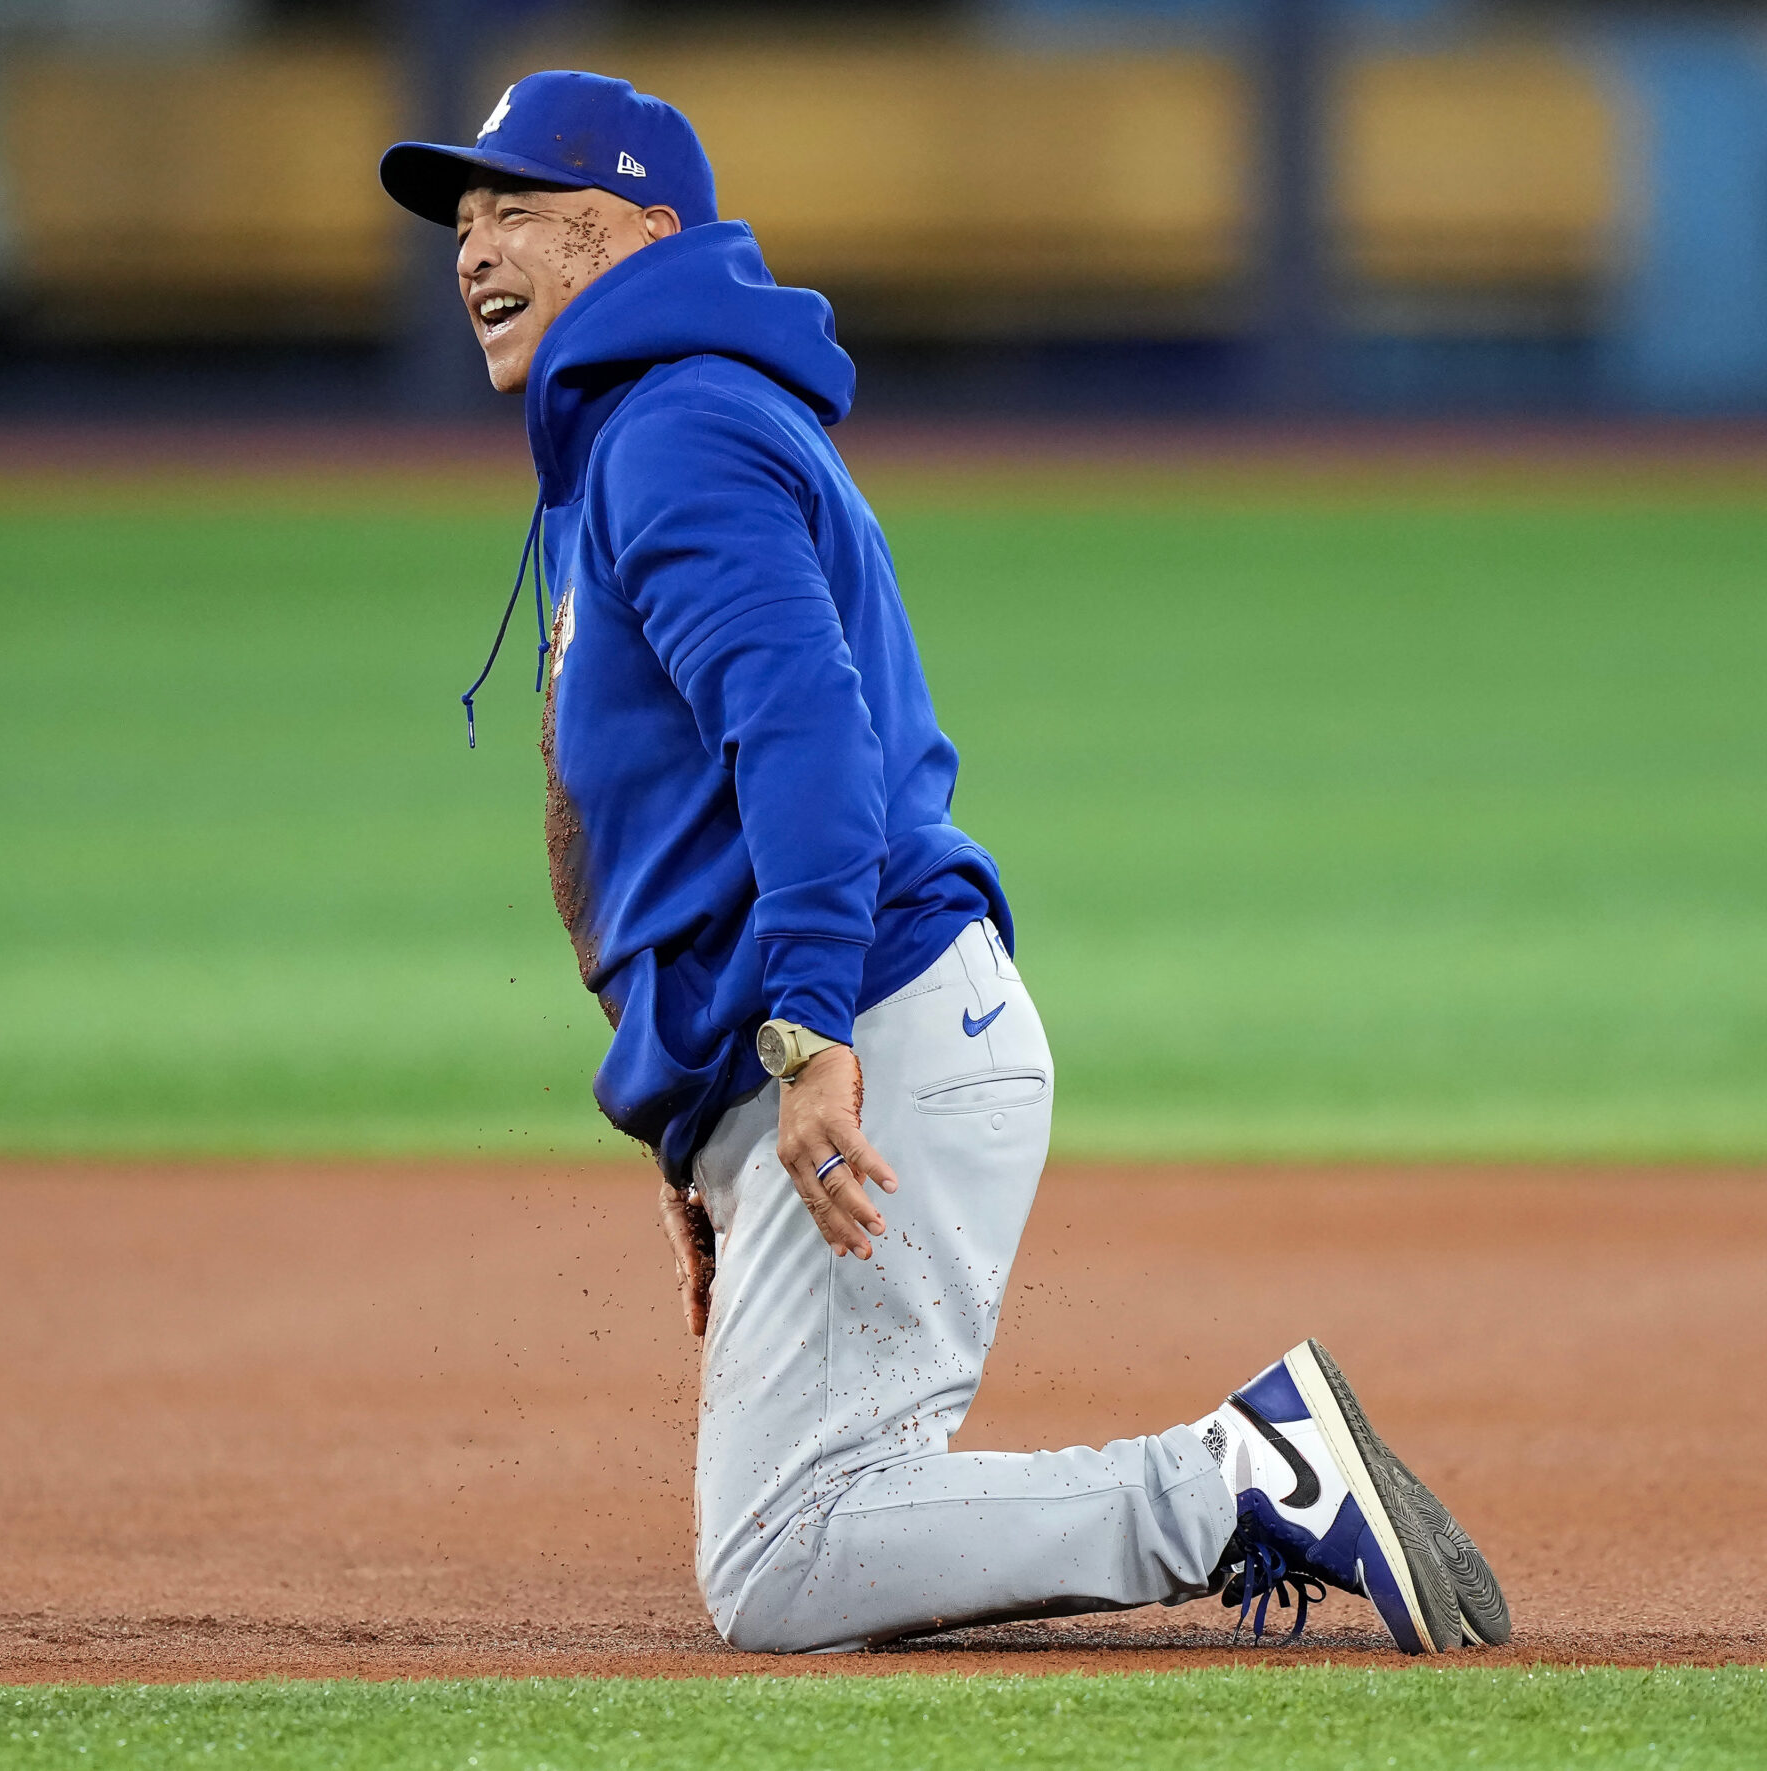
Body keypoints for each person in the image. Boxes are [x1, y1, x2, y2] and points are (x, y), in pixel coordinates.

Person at [378, 71, 1510, 1655]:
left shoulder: (676, 430)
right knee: (810, 1531)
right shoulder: (642, 434)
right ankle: (1247, 1475)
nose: (471, 249)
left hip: (876, 1025)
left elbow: (805, 742)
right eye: (463, 220)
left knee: (784, 1562)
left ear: (636, 232)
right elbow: (654, 816)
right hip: (856, 1027)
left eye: (517, 213)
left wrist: (811, 1031)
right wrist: (689, 1113)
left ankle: (1242, 1480)